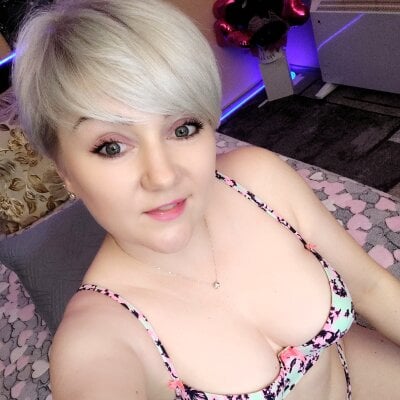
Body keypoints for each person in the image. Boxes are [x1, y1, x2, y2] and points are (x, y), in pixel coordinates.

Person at [11, 0, 400, 399]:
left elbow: (372, 288)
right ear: (65, 172)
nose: (163, 175)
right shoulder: (98, 339)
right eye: (111, 147)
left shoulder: (258, 179)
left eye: (183, 128)